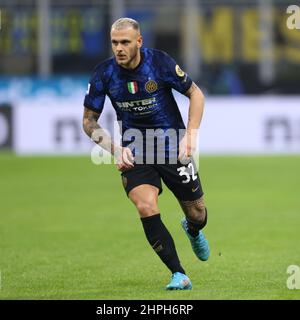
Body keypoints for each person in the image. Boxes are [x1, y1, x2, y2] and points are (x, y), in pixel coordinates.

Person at [82, 17, 209, 290]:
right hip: (135, 150)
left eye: (125, 42)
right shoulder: (104, 73)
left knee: (198, 213)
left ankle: (193, 229)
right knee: (145, 205)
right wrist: (115, 150)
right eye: (115, 42)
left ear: (138, 42)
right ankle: (179, 274)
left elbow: (195, 94)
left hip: (172, 147)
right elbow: (89, 121)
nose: (119, 48)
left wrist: (190, 135)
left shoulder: (159, 63)